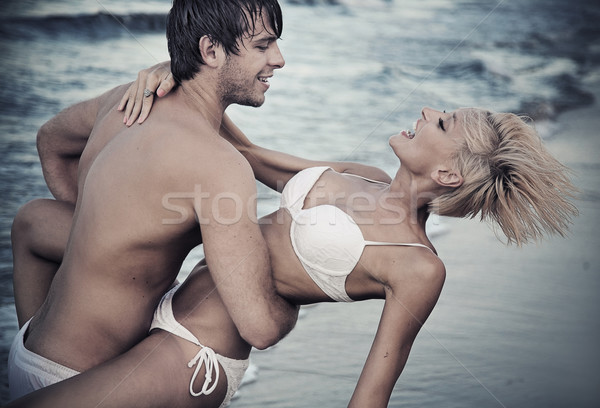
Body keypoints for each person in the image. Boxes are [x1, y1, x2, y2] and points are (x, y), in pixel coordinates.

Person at [8, 91, 577, 405]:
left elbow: (374, 388)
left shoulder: (418, 267)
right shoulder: (366, 173)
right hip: (168, 306)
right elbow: (249, 157)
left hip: (197, 352)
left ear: (450, 173)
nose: (428, 111)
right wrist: (179, 81)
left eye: (443, 121)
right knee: (34, 225)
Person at [7, 0, 300, 405]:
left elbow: (50, 142)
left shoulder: (125, 103)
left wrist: (102, 226)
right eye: (263, 45)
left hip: (29, 352)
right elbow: (260, 328)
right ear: (211, 51)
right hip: (84, 384)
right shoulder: (217, 163)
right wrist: (298, 294)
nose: (279, 60)